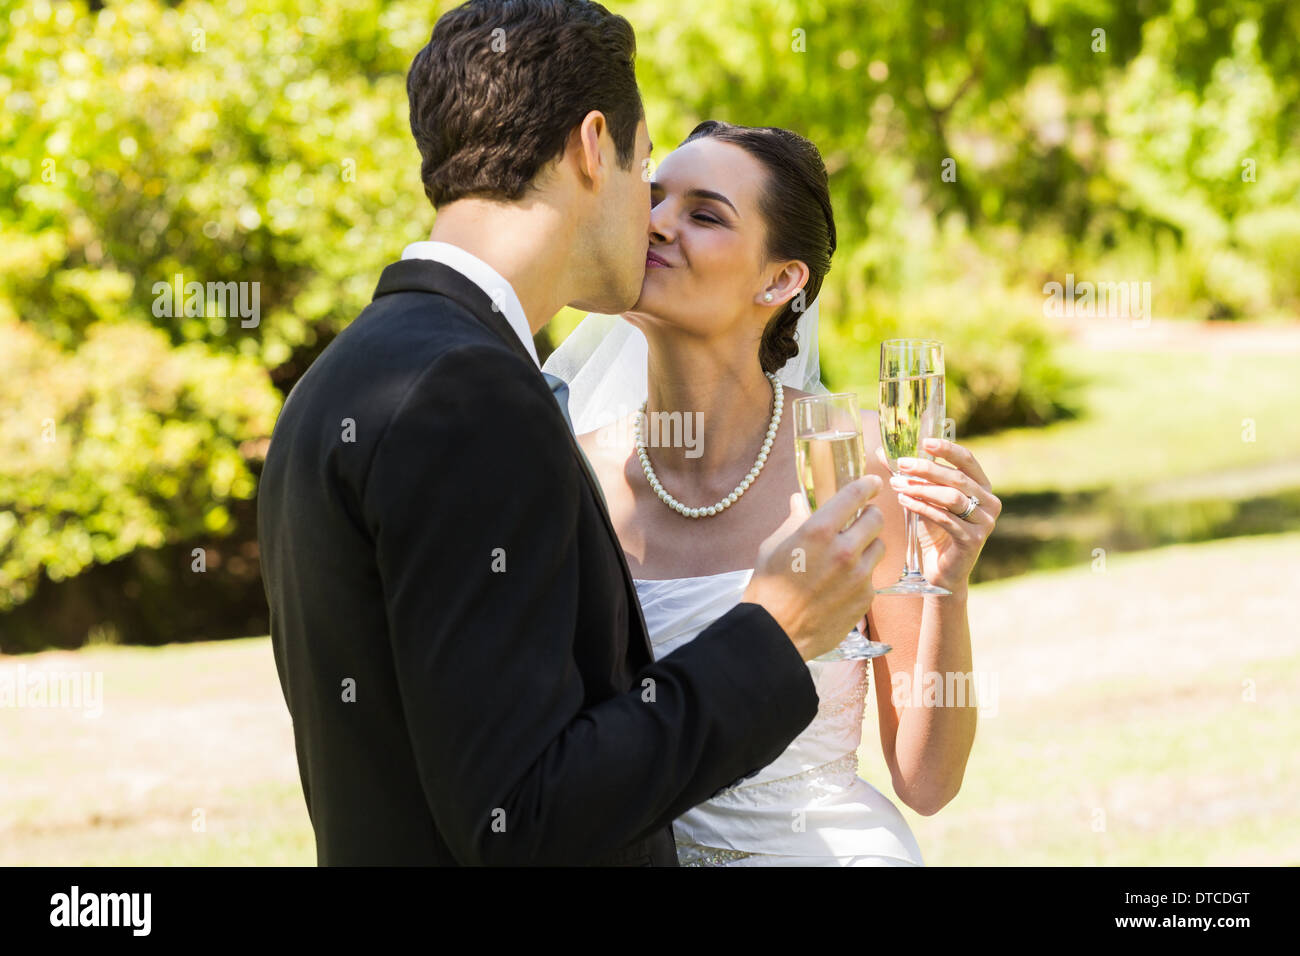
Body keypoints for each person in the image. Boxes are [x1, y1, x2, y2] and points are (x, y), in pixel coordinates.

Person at [257, 0, 887, 866]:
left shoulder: (341, 378)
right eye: (644, 170)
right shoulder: (469, 397)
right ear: (595, 147)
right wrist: (772, 632)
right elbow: (524, 816)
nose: (653, 216)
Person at [547, 121, 1001, 864]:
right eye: (655, 198)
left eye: (704, 213)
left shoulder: (849, 467)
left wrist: (947, 583)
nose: (656, 223)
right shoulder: (575, 479)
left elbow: (927, 782)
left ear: (781, 280)